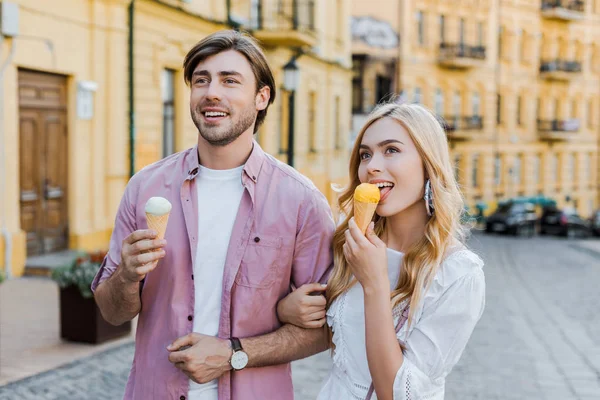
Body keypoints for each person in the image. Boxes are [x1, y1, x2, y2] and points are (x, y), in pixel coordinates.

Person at [91, 30, 334, 400]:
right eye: (200, 80)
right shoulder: (145, 188)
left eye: (230, 81)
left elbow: (328, 328)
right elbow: (112, 313)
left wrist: (234, 354)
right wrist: (125, 276)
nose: (212, 92)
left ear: (261, 97)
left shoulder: (301, 202)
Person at [277, 102, 486, 400]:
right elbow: (341, 337)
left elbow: (395, 393)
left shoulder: (458, 274)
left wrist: (374, 282)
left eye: (391, 150)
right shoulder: (349, 240)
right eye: (365, 154)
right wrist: (286, 309)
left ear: (428, 163)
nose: (372, 166)